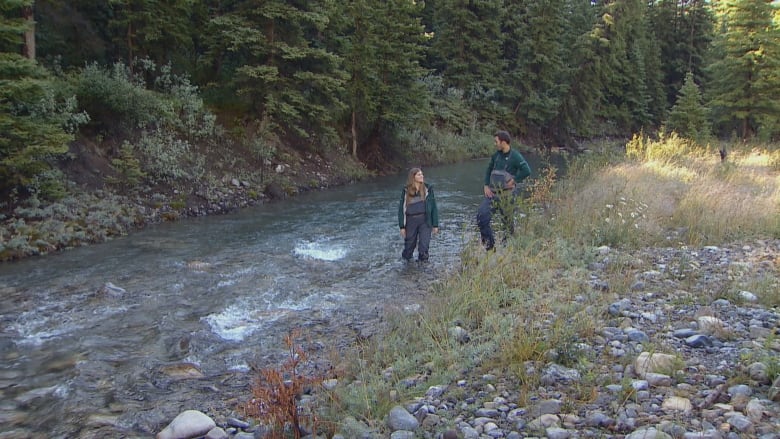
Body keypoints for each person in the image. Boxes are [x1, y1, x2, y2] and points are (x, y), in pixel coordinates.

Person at [476, 130, 531, 250]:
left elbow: (527, 170)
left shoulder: (515, 156)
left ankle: (507, 250)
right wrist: (486, 185)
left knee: (507, 225)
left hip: (507, 196)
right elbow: (488, 170)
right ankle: (490, 247)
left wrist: (515, 180)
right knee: (481, 217)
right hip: (492, 194)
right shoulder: (496, 156)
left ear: (503, 142)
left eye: (496, 142)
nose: (495, 144)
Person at [398, 167, 439, 262]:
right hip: (411, 221)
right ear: (413, 177)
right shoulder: (405, 191)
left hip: (425, 220)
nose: (422, 176)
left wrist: (435, 224)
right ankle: (407, 267)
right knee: (409, 247)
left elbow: (433, 207)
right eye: (419, 174)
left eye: (422, 174)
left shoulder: (428, 189)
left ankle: (423, 270)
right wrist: (402, 227)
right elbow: (401, 209)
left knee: (424, 247)